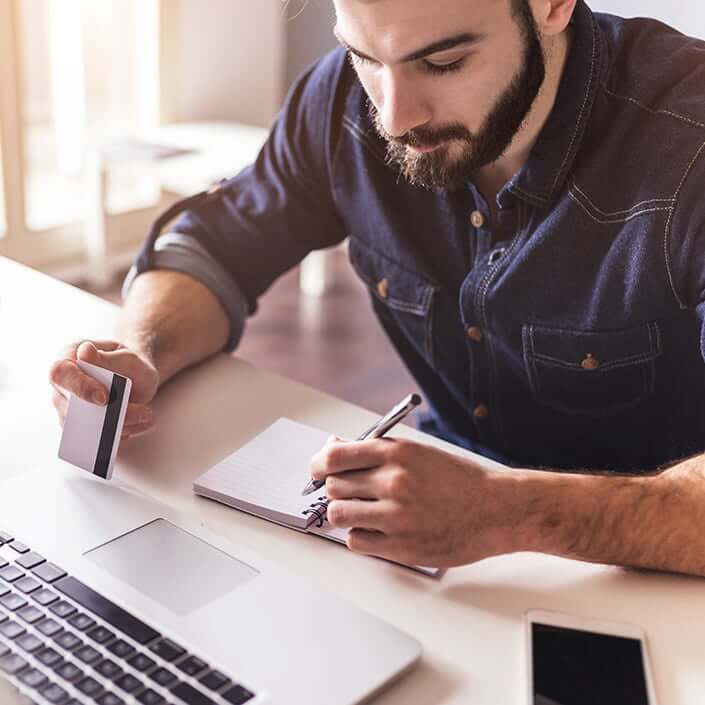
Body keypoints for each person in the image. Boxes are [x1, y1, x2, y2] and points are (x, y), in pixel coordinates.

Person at [50, 0, 705, 575]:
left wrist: (511, 511)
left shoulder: (689, 143)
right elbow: (214, 241)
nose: (394, 117)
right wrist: (142, 350)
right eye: (363, 56)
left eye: (443, 62)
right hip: (430, 549)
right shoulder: (343, 102)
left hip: (648, 577)